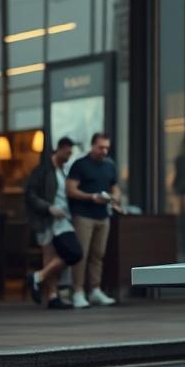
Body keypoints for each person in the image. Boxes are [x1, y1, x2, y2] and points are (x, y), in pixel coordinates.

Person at [24, 136, 82, 310]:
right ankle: (52, 296)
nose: (70, 155)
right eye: (68, 152)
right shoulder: (43, 170)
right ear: (60, 149)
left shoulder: (63, 171)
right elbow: (31, 195)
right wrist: (48, 208)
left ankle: (39, 278)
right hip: (47, 220)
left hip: (63, 220)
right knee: (52, 256)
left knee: (71, 253)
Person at [65, 132, 121, 308]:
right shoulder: (80, 165)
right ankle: (78, 291)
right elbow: (70, 190)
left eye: (106, 148)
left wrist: (113, 197)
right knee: (81, 254)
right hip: (83, 215)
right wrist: (91, 197)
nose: (104, 151)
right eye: (100, 147)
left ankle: (95, 290)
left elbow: (115, 186)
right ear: (92, 146)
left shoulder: (109, 165)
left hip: (103, 216)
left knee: (98, 255)